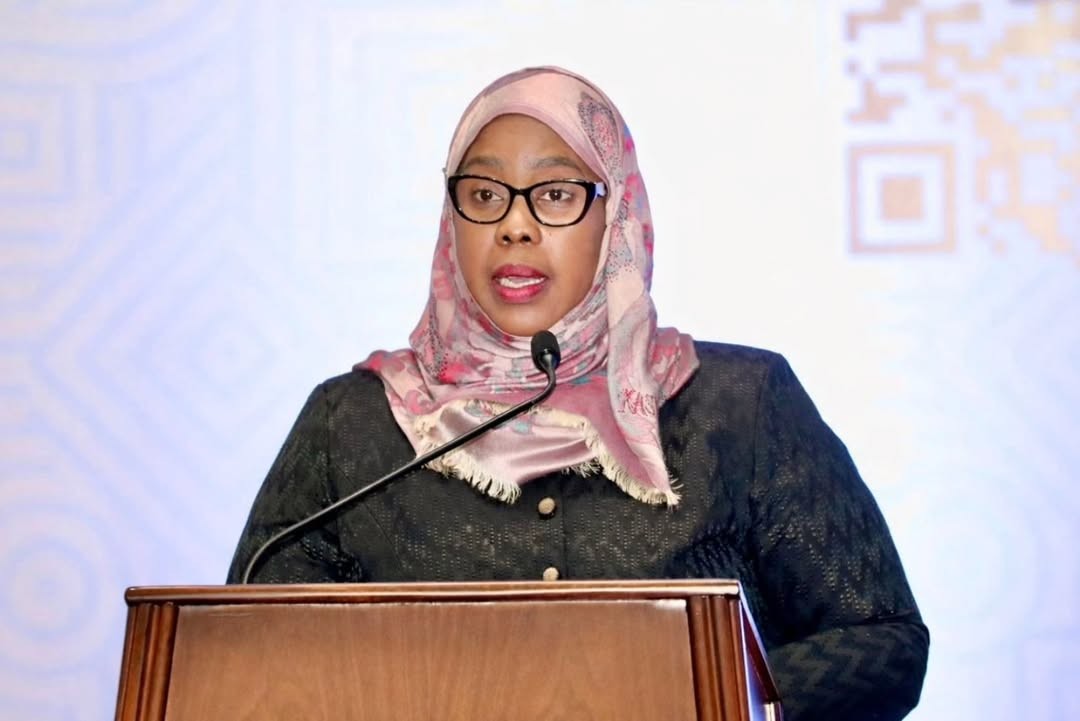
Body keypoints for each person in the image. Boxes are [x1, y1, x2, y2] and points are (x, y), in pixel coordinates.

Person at [227, 66, 928, 720]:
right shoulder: (352, 424)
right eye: (483, 195)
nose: (515, 225)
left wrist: (701, 696)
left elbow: (882, 643)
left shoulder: (738, 405)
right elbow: (246, 660)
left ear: (615, 213)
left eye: (556, 194)